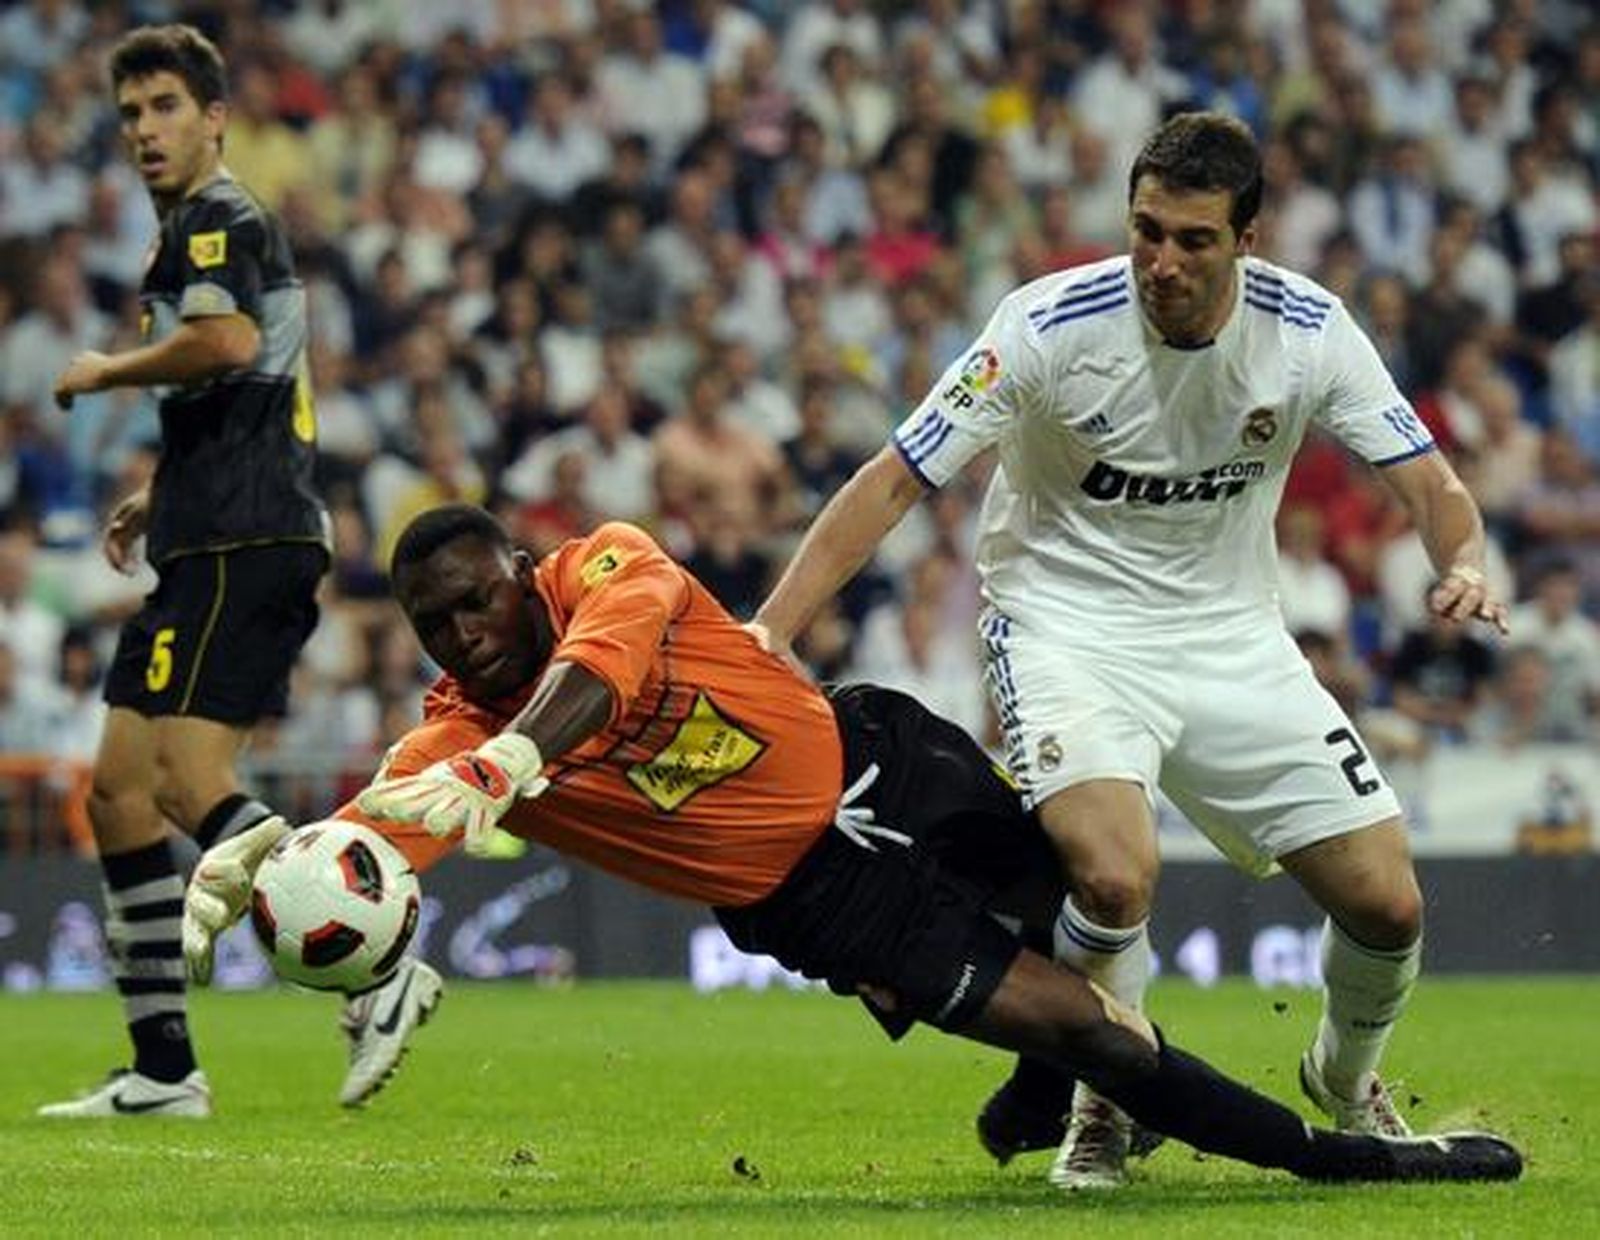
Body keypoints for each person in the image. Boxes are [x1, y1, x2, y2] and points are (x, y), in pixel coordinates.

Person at [182, 505, 1520, 1186]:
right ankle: (1340, 1158)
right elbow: (358, 846)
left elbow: (592, 676)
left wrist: (517, 757)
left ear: (521, 571)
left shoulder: (605, 569)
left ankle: (1048, 1092)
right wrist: (259, 848)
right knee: (1095, 1027)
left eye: (476, 604)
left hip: (879, 756)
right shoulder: (445, 739)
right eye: (436, 628)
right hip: (821, 901)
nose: (465, 639)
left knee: (1091, 879)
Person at [750, 112, 1512, 1190]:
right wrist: (775, 624)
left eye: (1192, 240)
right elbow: (894, 478)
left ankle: (1346, 1085)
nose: (1160, 262)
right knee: (1111, 875)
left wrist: (1464, 557)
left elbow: (1429, 485)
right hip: (1066, 629)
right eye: (1145, 231)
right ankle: (1102, 1098)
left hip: (1231, 636)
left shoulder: (1307, 330)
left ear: (1248, 239)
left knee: (1388, 906)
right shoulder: (1047, 325)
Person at [39, 25, 437, 1119]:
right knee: (118, 791)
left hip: (246, 542)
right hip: (203, 534)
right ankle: (164, 1069)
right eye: (129, 115)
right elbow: (248, 388)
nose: (144, 131)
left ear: (214, 117)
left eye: (164, 107)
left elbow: (217, 349)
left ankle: (387, 961)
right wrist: (161, 492)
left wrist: (107, 369)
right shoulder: (192, 236)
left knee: (183, 779)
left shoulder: (220, 218)